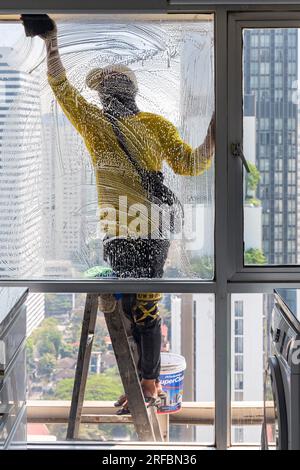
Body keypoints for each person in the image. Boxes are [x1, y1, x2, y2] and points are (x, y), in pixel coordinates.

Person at [21, 16, 215, 413]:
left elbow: (189, 164)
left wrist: (54, 43)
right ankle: (145, 381)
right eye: (108, 88)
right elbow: (191, 164)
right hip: (138, 228)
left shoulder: (114, 124)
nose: (110, 94)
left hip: (140, 228)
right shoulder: (109, 124)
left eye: (112, 87)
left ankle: (147, 383)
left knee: (141, 307)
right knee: (134, 307)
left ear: (122, 93)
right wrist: (52, 43)